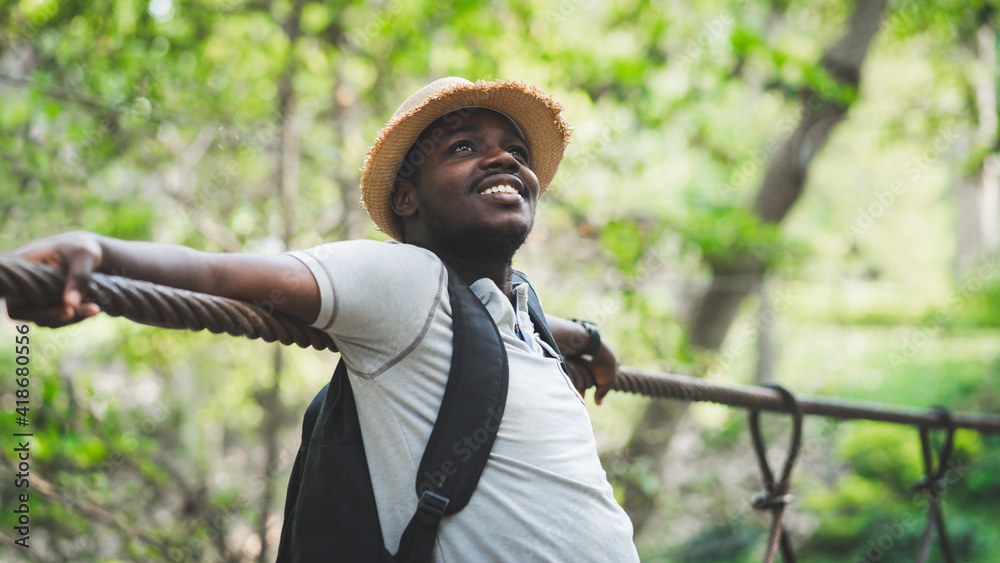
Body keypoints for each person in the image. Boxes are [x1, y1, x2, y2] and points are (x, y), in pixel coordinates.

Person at [6, 77, 640, 561]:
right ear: (407, 198)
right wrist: (97, 254)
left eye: (516, 150)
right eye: (465, 147)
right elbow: (223, 274)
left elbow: (510, 329)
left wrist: (587, 338)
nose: (504, 160)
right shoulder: (406, 280)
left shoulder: (518, 315)